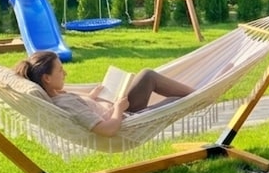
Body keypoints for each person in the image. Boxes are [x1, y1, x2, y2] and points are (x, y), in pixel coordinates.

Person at [14, 51, 193, 138]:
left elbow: (84, 109)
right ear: (46, 78)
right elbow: (107, 130)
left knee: (147, 75)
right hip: (127, 122)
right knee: (177, 101)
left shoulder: (58, 94)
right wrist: (118, 108)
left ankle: (199, 93)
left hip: (118, 109)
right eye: (60, 70)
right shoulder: (65, 104)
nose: (65, 73)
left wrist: (91, 97)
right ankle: (201, 94)